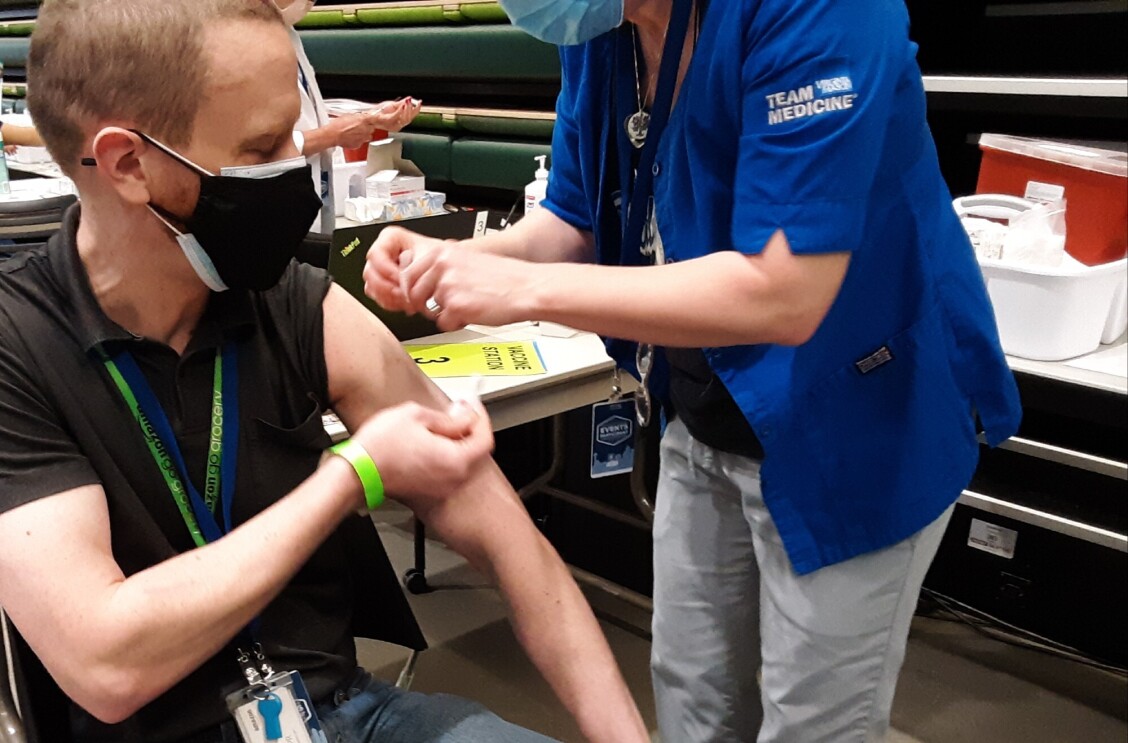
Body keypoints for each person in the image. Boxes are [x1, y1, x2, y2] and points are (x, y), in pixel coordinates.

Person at [364, 0, 1024, 740]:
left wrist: (520, 291)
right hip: (705, 404)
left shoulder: (821, 12)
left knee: (813, 720)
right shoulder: (605, 30)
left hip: (860, 412)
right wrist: (458, 259)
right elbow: (577, 220)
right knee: (693, 696)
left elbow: (786, 290)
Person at [0, 2, 649, 742]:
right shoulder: (18, 348)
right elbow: (105, 663)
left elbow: (509, 540)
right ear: (127, 163)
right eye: (264, 145)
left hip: (334, 712)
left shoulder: (299, 303)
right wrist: (350, 475)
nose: (299, 170)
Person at [273, 0, 422, 232]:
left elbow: (306, 117)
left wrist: (370, 118)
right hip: (277, 213)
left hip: (312, 205)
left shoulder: (288, 34)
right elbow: (250, 148)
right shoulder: (234, 45)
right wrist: (332, 135)